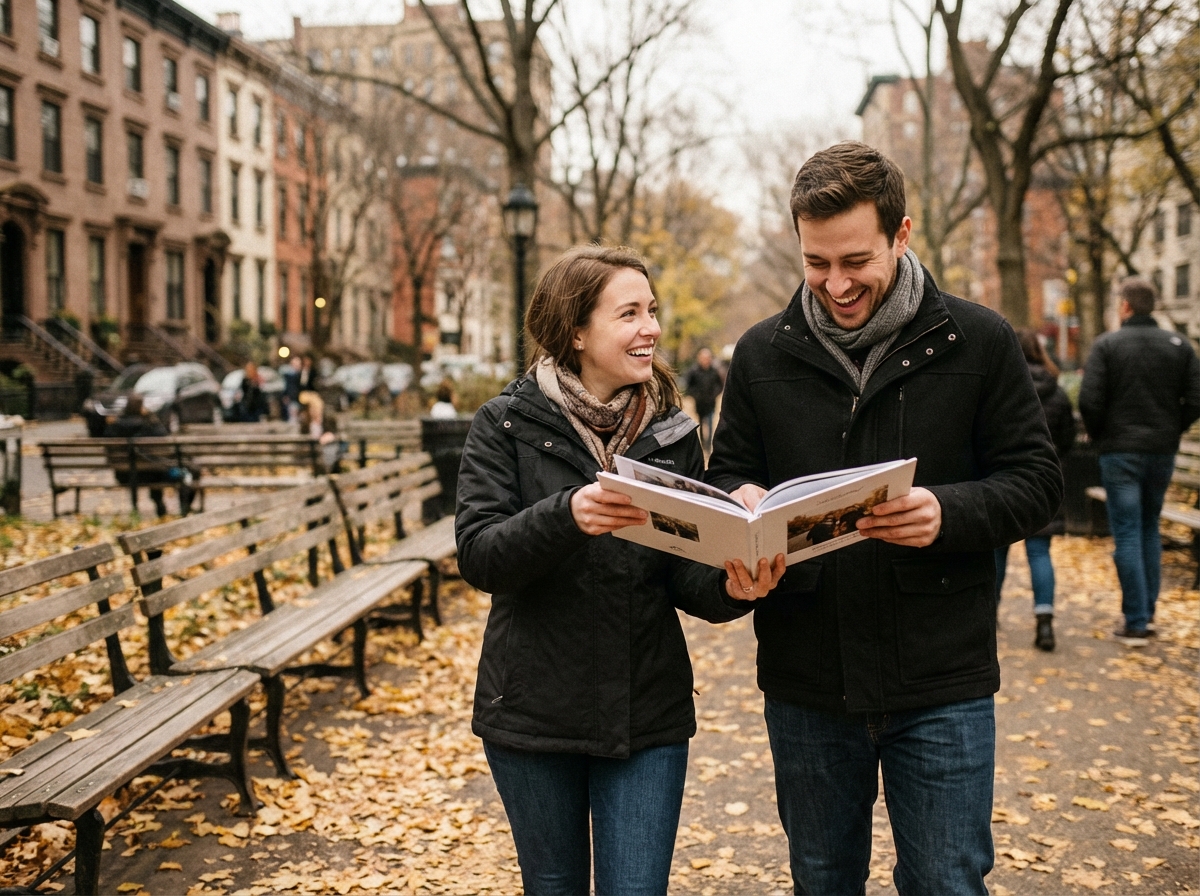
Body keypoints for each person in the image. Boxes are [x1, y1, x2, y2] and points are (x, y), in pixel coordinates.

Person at [706, 141, 1062, 895]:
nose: (836, 284)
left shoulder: (980, 339)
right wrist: (739, 499)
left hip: (941, 676)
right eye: (816, 262)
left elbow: (1037, 482)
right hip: (807, 675)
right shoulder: (761, 353)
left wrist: (947, 512)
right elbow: (730, 471)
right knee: (822, 879)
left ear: (901, 235)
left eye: (855, 261)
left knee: (946, 881)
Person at [455, 246, 783, 896]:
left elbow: (684, 574)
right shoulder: (504, 424)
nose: (650, 329)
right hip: (532, 711)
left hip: (647, 714)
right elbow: (481, 555)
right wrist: (568, 514)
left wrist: (733, 586)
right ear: (576, 331)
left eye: (651, 311)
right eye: (629, 313)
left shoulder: (673, 434)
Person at [1079, 277, 1200, 645]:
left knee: (1128, 532)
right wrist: (1171, 429)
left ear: (1126, 306)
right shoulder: (1179, 346)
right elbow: (1196, 399)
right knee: (1149, 527)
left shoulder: (1108, 345)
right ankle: (1146, 614)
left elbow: (1089, 400)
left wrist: (1101, 435)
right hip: (1161, 452)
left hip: (1120, 452)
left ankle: (1136, 621)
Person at [994, 329, 1076, 651]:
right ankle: (1044, 622)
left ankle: (990, 614)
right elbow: (1067, 437)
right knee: (1040, 552)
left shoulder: (1001, 387)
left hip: (1002, 479)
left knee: (997, 550)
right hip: (1043, 481)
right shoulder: (1056, 390)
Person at [106, 394, 194, 516]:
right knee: (162, 469)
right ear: (142, 407)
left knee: (153, 469)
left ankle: (158, 504)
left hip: (125, 475)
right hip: (154, 474)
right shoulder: (150, 424)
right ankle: (179, 507)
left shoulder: (115, 426)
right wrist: (149, 415)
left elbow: (108, 445)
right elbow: (163, 435)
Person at [683, 347, 724, 452]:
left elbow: (719, 385)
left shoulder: (714, 371)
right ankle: (703, 442)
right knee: (701, 423)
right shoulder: (694, 371)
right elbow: (689, 386)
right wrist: (695, 395)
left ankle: (708, 445)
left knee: (710, 424)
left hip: (711, 403)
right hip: (700, 403)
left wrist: (714, 395)